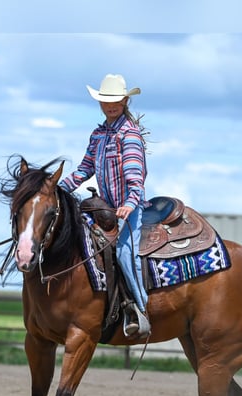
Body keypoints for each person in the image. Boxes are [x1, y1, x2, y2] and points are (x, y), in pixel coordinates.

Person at [59, 73, 150, 338]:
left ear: (124, 101)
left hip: (127, 208)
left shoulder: (129, 135)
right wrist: (56, 189)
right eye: (106, 101)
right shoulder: (98, 135)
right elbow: (84, 169)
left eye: (116, 101)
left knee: (124, 253)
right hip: (103, 208)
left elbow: (136, 178)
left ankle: (139, 309)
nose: (111, 105)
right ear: (100, 102)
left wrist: (130, 204)